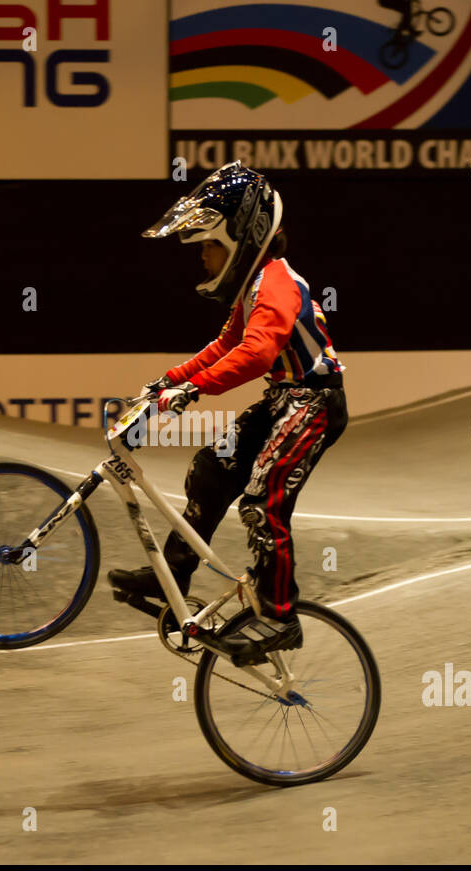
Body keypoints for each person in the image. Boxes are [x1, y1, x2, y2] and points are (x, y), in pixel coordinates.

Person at [108, 161, 347, 664]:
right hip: (286, 400)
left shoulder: (277, 283)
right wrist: (172, 380)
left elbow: (257, 354)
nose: (202, 258)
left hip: (315, 404)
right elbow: (227, 344)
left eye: (207, 245)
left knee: (262, 500)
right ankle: (173, 573)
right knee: (211, 470)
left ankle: (279, 617)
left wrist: (193, 390)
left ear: (242, 238)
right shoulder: (255, 285)